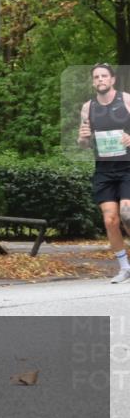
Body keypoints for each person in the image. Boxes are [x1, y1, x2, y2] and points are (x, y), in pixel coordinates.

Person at [77, 63, 130, 284]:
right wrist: (83, 137)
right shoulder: (88, 107)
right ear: (93, 82)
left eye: (104, 76)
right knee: (110, 220)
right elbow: (83, 143)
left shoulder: (126, 100)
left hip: (127, 167)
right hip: (104, 170)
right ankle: (125, 268)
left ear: (112, 79)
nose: (100, 79)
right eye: (96, 77)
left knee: (127, 214)